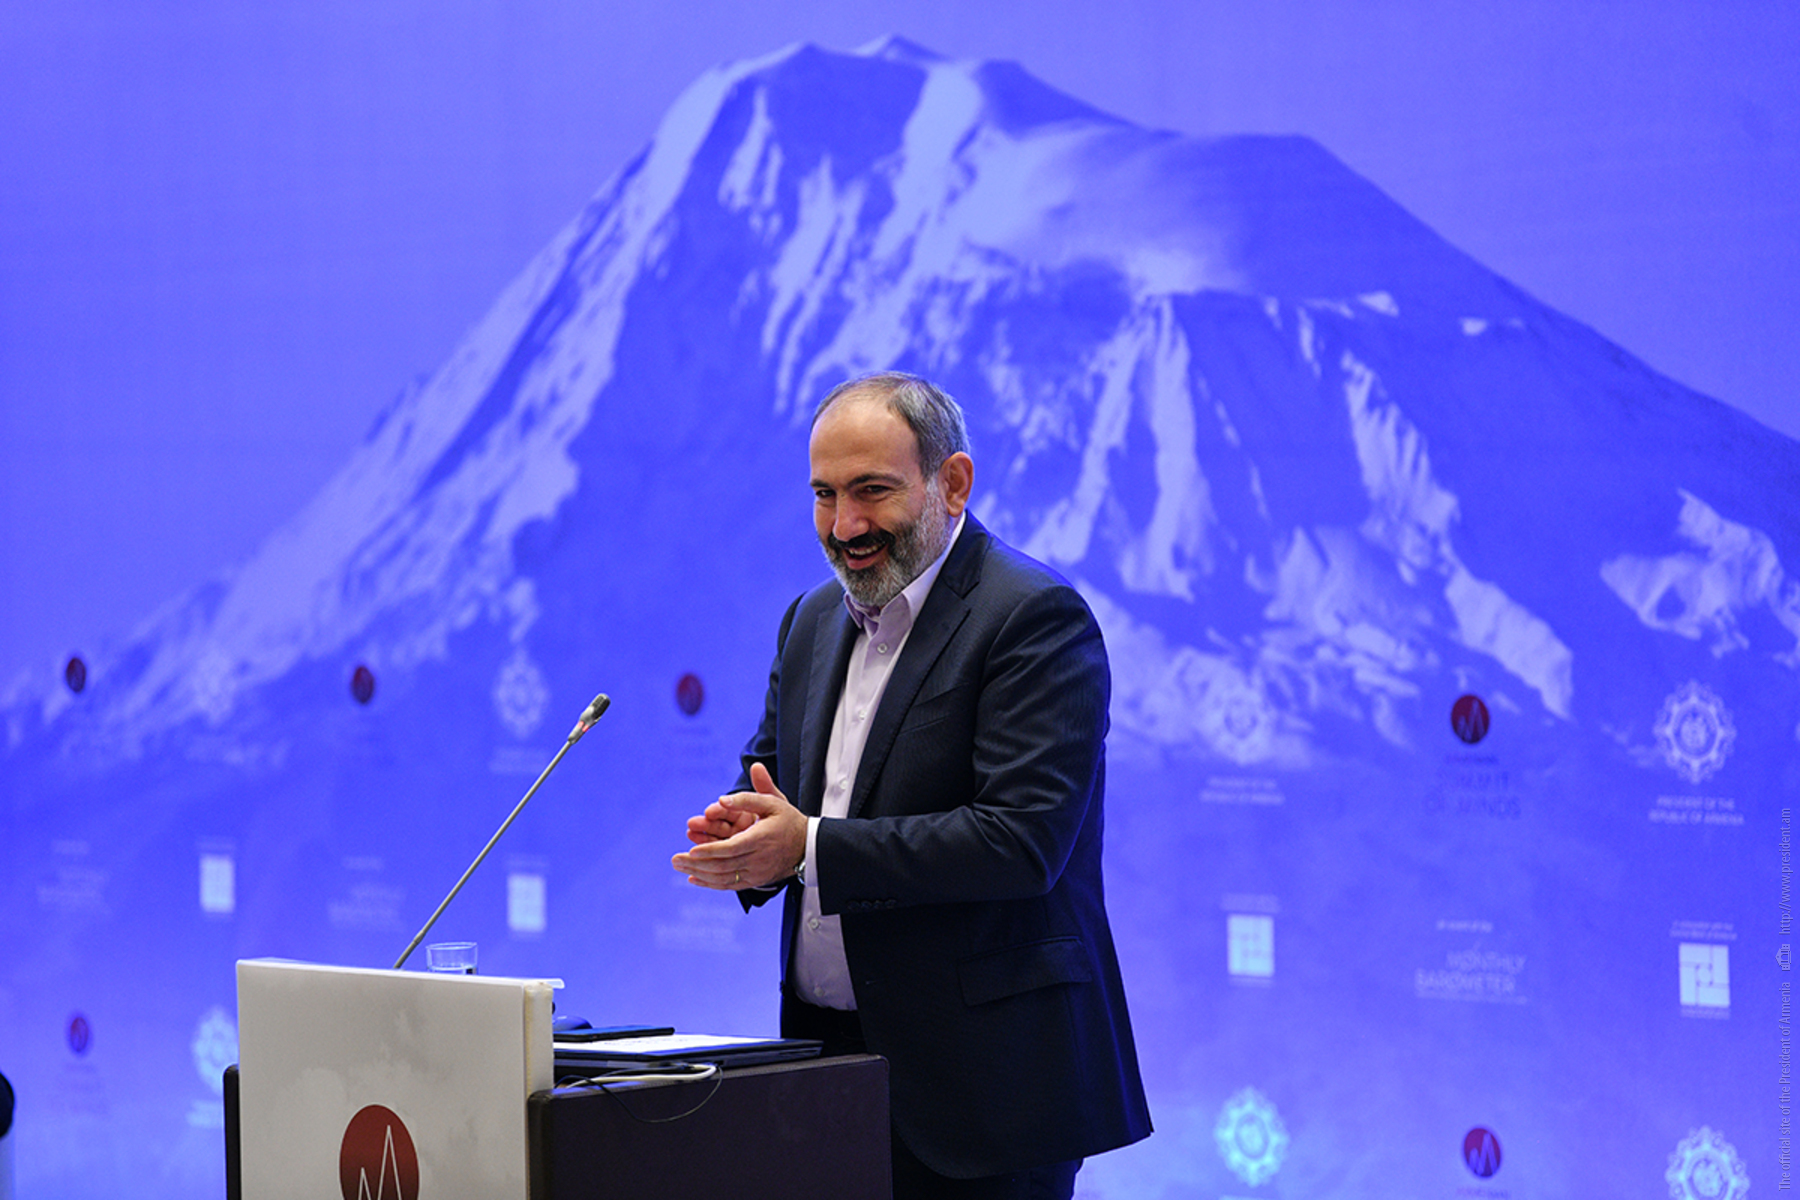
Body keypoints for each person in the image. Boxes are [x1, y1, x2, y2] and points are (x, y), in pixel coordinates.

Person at [672, 371, 1151, 1199]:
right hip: (825, 1074)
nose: (845, 525)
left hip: (985, 1095)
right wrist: (746, 838)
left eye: (872, 490)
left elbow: (1021, 841)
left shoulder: (1033, 617)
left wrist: (807, 846)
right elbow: (778, 785)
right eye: (824, 495)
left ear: (952, 483)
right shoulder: (810, 619)